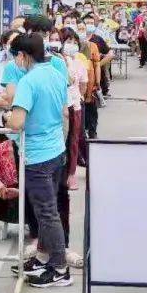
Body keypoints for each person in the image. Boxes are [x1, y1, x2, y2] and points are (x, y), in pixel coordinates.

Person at [7, 33, 73, 288]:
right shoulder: (57, 73)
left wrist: (7, 119)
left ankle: (59, 268)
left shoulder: (28, 81)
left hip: (37, 155)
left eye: (17, 57)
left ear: (23, 56)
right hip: (56, 149)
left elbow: (17, 121)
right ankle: (44, 257)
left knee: (46, 213)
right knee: (48, 209)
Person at [59, 27, 89, 190]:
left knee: (73, 140)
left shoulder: (79, 61)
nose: (71, 44)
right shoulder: (56, 60)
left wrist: (79, 97)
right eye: (68, 41)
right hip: (59, 105)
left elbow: (83, 84)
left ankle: (71, 174)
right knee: (60, 139)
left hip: (75, 105)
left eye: (74, 42)